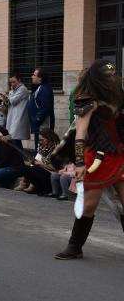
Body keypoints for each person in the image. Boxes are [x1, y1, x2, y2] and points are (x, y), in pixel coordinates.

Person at [55, 60, 124, 260]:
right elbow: (81, 133)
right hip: (97, 157)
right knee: (89, 205)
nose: (111, 78)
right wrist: (79, 162)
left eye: (113, 74)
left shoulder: (118, 97)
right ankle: (75, 246)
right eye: (107, 75)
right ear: (97, 78)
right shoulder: (87, 99)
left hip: (119, 155)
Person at [28, 67, 55, 150]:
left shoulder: (44, 89)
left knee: (43, 148)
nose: (32, 76)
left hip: (43, 125)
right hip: (39, 125)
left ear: (40, 78)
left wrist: (37, 120)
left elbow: (45, 108)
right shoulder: (40, 88)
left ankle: (42, 162)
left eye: (34, 75)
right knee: (39, 147)